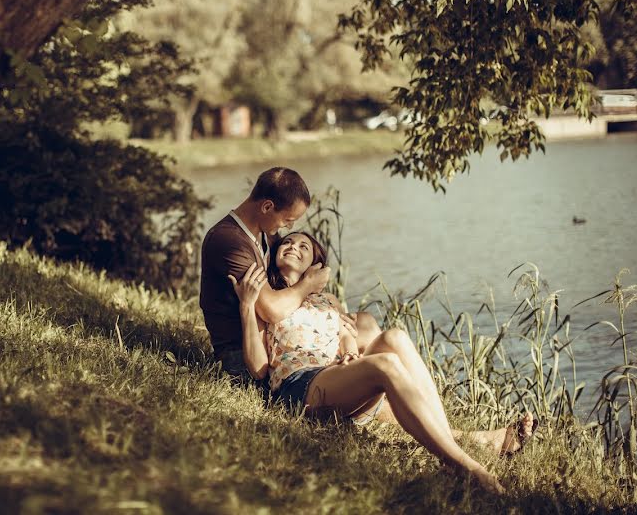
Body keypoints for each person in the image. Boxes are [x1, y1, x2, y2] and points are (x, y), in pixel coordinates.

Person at [230, 231, 537, 494]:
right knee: (385, 364)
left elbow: (346, 334)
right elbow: (258, 367)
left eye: (303, 246)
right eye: (289, 242)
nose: (293, 246)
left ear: (315, 266)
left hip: (335, 375)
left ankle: (452, 442)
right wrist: (246, 306)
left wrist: (349, 349)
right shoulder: (269, 302)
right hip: (301, 386)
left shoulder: (327, 301)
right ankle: (462, 464)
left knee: (396, 338)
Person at [199, 167, 381, 381]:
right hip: (245, 354)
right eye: (287, 220)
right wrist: (308, 284)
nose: (290, 226)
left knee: (366, 324)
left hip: (276, 334)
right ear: (267, 206)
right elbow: (271, 310)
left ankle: (382, 386)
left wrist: (335, 316)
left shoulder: (266, 233)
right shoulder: (229, 241)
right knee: (370, 351)